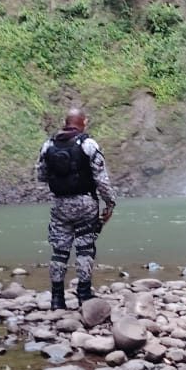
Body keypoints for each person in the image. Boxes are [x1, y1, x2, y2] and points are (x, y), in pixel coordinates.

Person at [36, 108, 117, 309]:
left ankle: (57, 299)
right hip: (85, 205)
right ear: (83, 122)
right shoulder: (88, 144)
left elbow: (41, 175)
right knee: (85, 249)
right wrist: (110, 202)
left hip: (59, 205)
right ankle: (84, 294)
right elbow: (101, 179)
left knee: (59, 251)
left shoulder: (48, 145)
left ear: (66, 122)